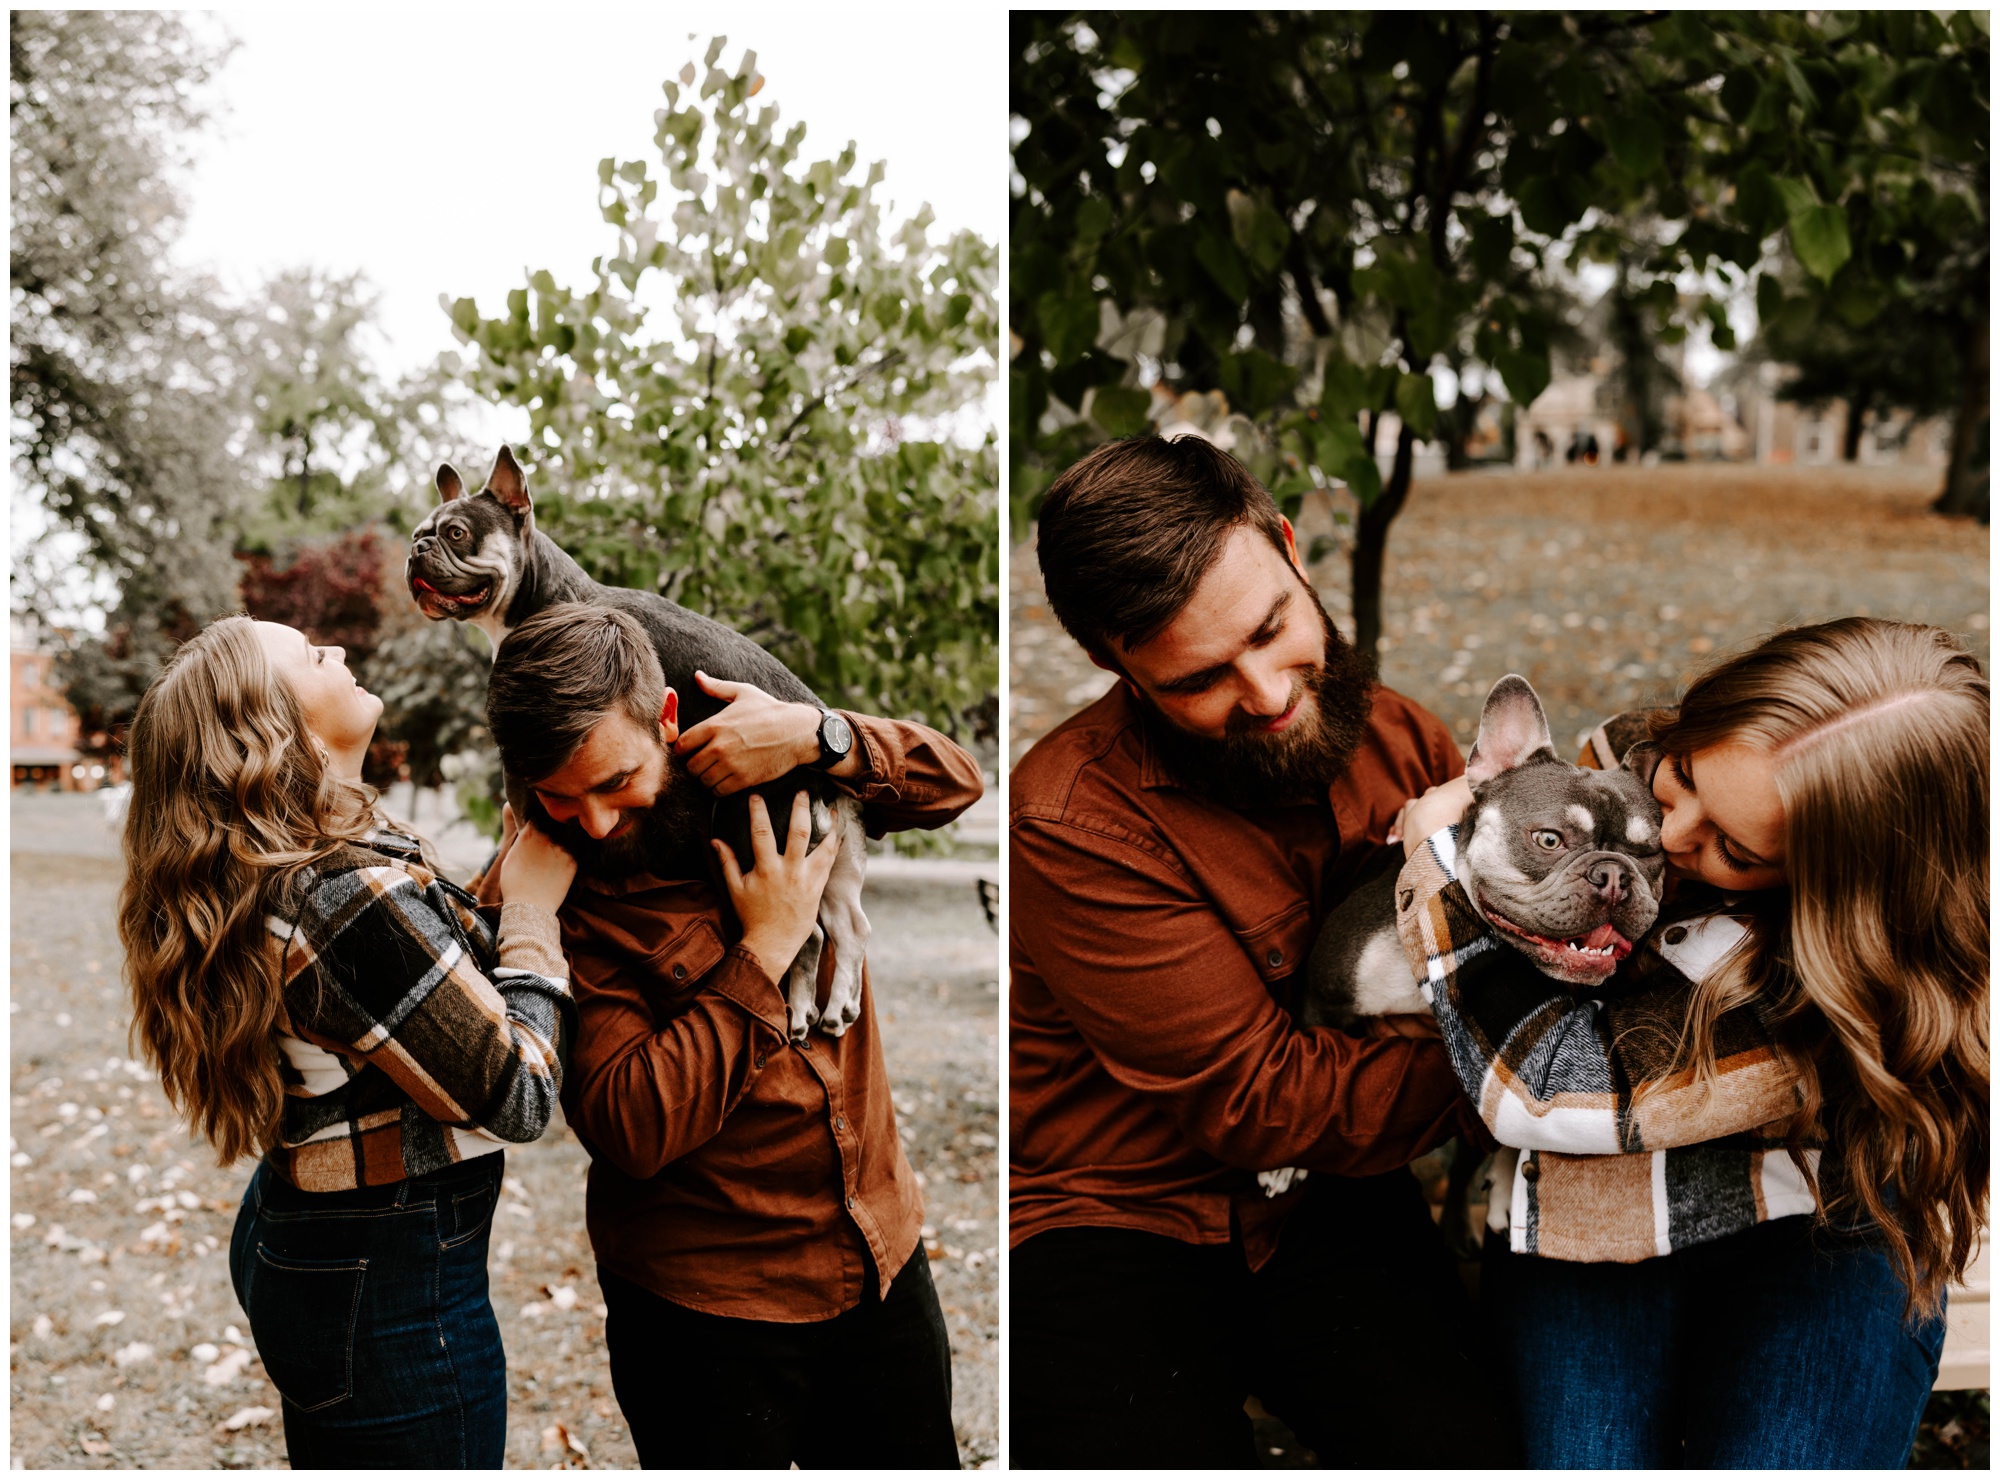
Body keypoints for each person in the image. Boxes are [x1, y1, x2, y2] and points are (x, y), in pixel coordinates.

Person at [1009, 434, 1510, 1468]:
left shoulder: (1403, 741)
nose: (1268, 692)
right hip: (1110, 1213)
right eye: (1199, 677)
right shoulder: (1069, 819)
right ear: (1119, 666)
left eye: (1273, 627)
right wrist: (1504, 1037)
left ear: (1287, 547)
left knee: (1467, 1448)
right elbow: (1263, 1099)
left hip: (1326, 1201)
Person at [1393, 617, 1989, 1467]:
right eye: (1682, 781)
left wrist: (1433, 862)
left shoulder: (1862, 975)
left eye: (1735, 849)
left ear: (1834, 889)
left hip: (1820, 1212)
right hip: (1597, 1209)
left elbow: (1551, 1090)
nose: (1670, 839)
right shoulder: (1651, 748)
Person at [480, 602, 983, 1469]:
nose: (593, 822)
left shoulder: (760, 773)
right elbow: (632, 1123)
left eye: (613, 783)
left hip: (880, 1260)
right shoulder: (548, 894)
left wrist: (818, 735)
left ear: (667, 721)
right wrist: (768, 944)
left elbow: (956, 783)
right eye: (558, 798)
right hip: (705, 1313)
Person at [118, 615, 579, 1467]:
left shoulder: (288, 868)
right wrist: (533, 915)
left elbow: (406, 991)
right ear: (269, 727)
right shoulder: (341, 895)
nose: (335, 648)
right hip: (390, 1291)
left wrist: (490, 897)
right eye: (308, 655)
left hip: (314, 1243)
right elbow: (518, 1095)